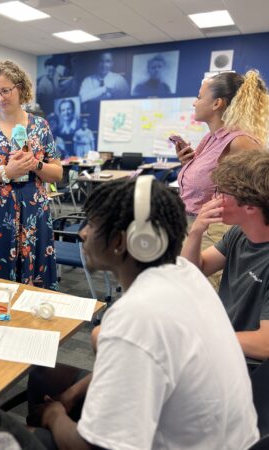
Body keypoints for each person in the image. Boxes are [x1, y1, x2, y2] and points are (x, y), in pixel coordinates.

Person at [29, 176, 258, 450]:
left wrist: (54, 416)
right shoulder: (185, 273)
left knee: (24, 436)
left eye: (91, 224)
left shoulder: (137, 315)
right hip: (225, 439)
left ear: (125, 241)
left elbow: (90, 447)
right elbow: (144, 354)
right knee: (45, 376)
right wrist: (72, 395)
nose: (83, 233)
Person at [0, 60, 62, 289]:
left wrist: (36, 165)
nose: (0, 98)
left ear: (20, 88)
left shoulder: (41, 126)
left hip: (33, 216)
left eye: (5, 91)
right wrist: (6, 172)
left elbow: (57, 174)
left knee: (33, 289)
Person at [174, 70, 269, 288]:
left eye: (199, 97)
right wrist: (187, 163)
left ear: (217, 103)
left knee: (204, 295)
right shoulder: (210, 138)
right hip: (193, 225)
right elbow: (211, 179)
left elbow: (260, 195)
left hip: (214, 230)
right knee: (186, 290)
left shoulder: (240, 142)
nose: (194, 103)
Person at [182, 150, 269, 361]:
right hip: (225, 346)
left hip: (248, 365)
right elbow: (193, 270)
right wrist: (195, 232)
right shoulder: (239, 233)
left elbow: (265, 345)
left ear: (249, 206)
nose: (214, 198)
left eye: (222, 193)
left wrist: (205, 336)